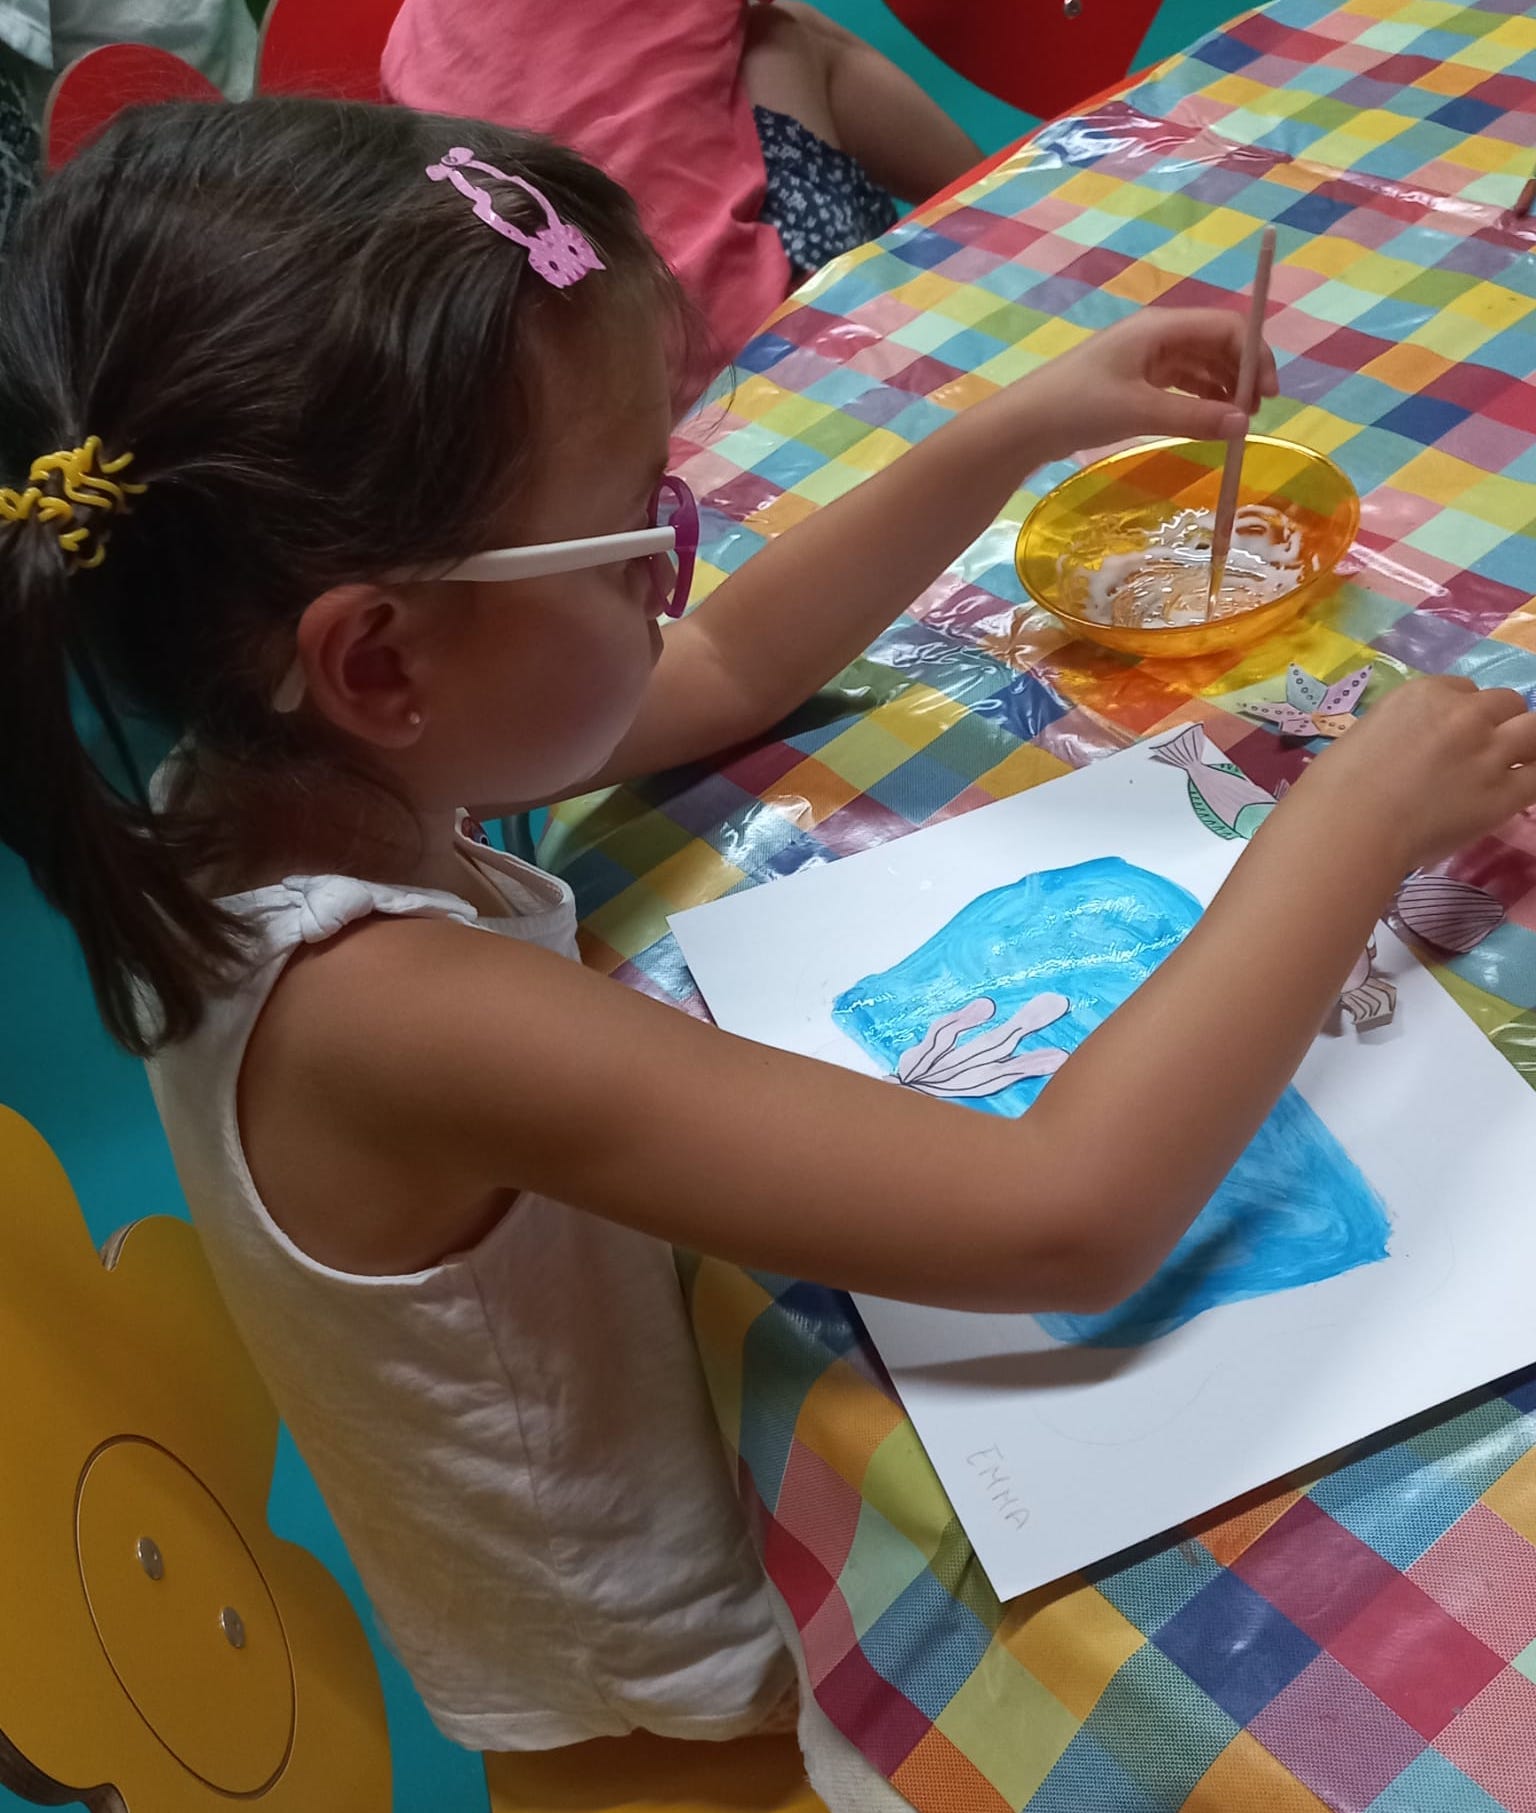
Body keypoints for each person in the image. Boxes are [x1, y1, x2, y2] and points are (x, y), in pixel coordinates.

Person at [4, 97, 1536, 1808]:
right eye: (636, 532)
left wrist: (1021, 427)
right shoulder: (388, 1011)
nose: (677, 570)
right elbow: (1063, 1215)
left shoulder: (282, 758)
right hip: (673, 1741)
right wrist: (1350, 826)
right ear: (378, 659)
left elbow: (722, 664)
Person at [382, 0, 981, 397]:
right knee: (782, 38)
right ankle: (1001, 210)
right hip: (771, 330)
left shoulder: (412, 36)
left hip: (577, 404)